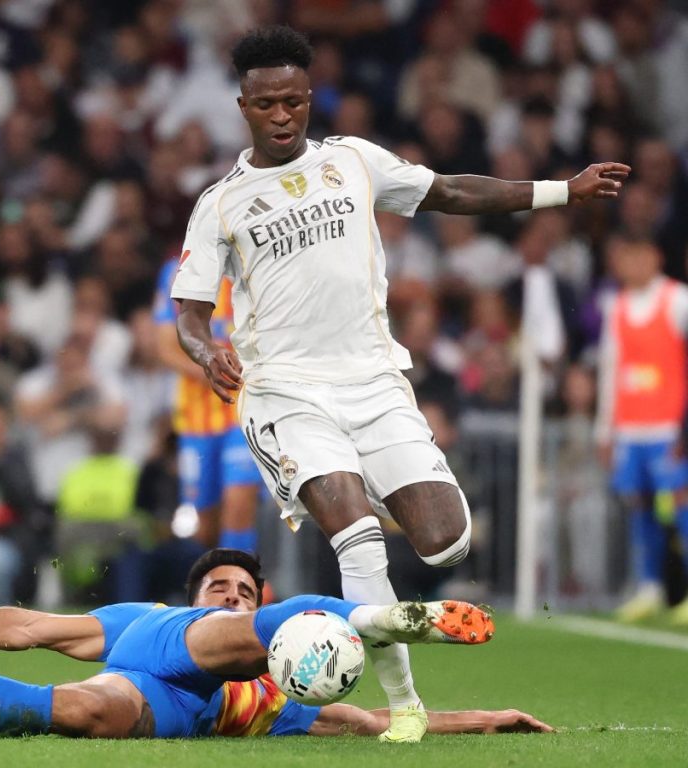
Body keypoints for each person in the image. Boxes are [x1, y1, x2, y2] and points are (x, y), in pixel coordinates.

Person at [170, 26, 629, 742]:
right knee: (356, 539)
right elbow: (189, 310)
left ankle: (374, 502)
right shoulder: (221, 204)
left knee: (446, 543)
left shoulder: (353, 161)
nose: (283, 115)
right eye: (267, 105)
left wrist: (559, 191)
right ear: (243, 106)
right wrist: (205, 351)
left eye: (294, 101)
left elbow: (448, 190)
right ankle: (406, 708)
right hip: (287, 393)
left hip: (376, 382)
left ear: (310, 98)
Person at [0, 549, 533, 740]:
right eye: (221, 586)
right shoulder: (139, 617)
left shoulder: (279, 703)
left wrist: (492, 717)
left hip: (176, 706)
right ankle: (377, 617)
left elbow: (375, 724)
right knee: (268, 628)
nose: (234, 593)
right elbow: (22, 626)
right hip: (166, 653)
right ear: (195, 593)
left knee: (70, 716)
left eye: (245, 590)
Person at [596, 237, 688, 623]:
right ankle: (649, 587)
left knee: (679, 509)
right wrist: (604, 430)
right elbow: (609, 370)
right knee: (639, 510)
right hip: (631, 430)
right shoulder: (615, 307)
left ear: (656, 256)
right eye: (625, 255)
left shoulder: (678, 300)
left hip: (669, 427)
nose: (632, 263)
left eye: (639, 254)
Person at [154, 256, 263, 550]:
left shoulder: (256, 261)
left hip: (244, 409)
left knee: (239, 504)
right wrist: (210, 366)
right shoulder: (175, 271)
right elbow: (165, 346)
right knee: (205, 527)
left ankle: (241, 587)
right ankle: (216, 583)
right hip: (196, 419)